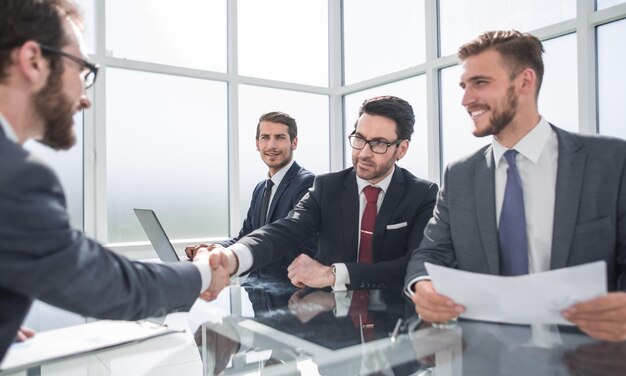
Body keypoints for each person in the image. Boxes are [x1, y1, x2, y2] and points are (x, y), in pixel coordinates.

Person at [0, 0, 229, 362]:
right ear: (33, 61)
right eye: (82, 69)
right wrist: (201, 273)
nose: (85, 99)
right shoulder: (16, 177)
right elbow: (105, 284)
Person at [404, 30, 626, 342]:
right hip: (486, 359)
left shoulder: (610, 161)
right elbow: (430, 253)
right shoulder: (460, 175)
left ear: (524, 82)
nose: (466, 100)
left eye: (480, 83)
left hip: (590, 358)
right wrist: (422, 285)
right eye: (464, 87)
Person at [207, 95, 438, 291]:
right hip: (333, 322)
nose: (364, 153)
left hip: (394, 322)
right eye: (359, 139)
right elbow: (284, 230)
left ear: (402, 149)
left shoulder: (422, 194)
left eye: (378, 144)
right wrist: (232, 258)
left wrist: (334, 274)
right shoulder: (327, 187)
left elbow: (413, 264)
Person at [185, 112, 316, 280]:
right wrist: (215, 248)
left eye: (280, 137)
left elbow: (297, 248)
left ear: (294, 142)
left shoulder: (308, 184)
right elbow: (245, 238)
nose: (271, 145)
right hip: (258, 293)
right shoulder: (261, 189)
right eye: (265, 137)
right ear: (257, 143)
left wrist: (231, 258)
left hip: (289, 292)